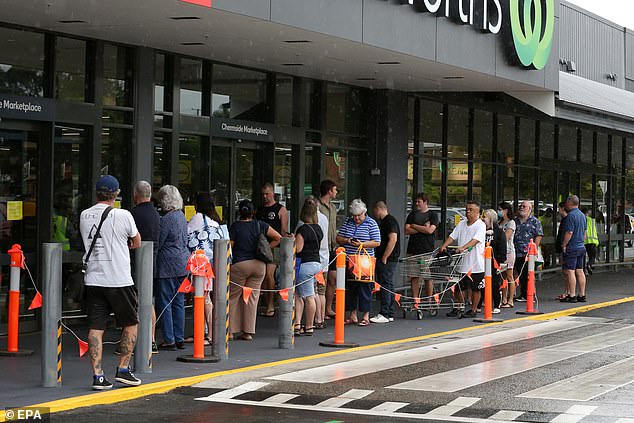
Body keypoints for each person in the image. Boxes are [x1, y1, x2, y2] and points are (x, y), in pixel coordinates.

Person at [80, 175, 142, 390]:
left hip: (94, 279)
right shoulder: (123, 215)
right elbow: (137, 241)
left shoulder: (84, 215)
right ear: (116, 194)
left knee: (96, 328)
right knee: (130, 323)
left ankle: (98, 376)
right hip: (119, 279)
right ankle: (123, 370)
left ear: (97, 193)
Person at [229, 199, 282, 340]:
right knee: (252, 298)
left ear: (239, 212)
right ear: (254, 212)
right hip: (259, 266)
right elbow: (278, 237)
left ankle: (229, 331)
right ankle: (248, 332)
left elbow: (229, 247)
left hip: (239, 265)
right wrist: (266, 249)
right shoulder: (260, 225)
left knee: (233, 297)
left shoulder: (235, 227)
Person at [187, 191, 229, 345]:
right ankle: (204, 331)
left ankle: (211, 333)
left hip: (201, 264)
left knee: (204, 299)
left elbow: (187, 235)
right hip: (214, 262)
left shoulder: (197, 219)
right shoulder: (216, 221)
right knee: (205, 297)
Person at [154, 185, 190, 351]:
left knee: (165, 302)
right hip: (183, 263)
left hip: (167, 264)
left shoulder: (166, 219)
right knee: (178, 302)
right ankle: (179, 337)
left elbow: (159, 242)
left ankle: (169, 339)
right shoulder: (181, 216)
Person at [336, 199, 381, 327]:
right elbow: (338, 238)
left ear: (364, 213)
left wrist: (362, 244)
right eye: (354, 216)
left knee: (365, 288)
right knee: (351, 288)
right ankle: (353, 315)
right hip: (349, 260)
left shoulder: (371, 223)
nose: (356, 218)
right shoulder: (348, 222)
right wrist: (348, 240)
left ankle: (366, 315)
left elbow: (377, 242)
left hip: (365, 262)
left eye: (359, 215)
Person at [440, 200, 486, 318]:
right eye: (467, 209)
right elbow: (452, 236)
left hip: (475, 264)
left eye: (471, 210)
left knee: (475, 288)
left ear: (478, 212)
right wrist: (444, 245)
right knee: (459, 287)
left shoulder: (481, 225)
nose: (468, 212)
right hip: (462, 263)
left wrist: (463, 247)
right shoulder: (462, 224)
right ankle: (458, 307)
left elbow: (475, 241)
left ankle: (474, 310)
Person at [130, 180, 160, 354]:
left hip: (135, 263)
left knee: (135, 302)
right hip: (153, 262)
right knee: (149, 302)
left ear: (136, 195)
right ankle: (152, 340)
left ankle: (135, 341)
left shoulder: (132, 214)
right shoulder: (157, 215)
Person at [295, 195, 329, 330]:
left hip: (305, 265)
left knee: (308, 296)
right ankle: (298, 324)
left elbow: (299, 248)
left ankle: (308, 326)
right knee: (305, 294)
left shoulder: (302, 229)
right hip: (317, 264)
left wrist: (292, 240)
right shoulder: (318, 229)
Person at [256, 182, 289, 318]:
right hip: (260, 246)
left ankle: (270, 305)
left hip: (273, 246)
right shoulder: (259, 209)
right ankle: (261, 302)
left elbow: (283, 233)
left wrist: (271, 246)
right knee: (260, 275)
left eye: (267, 194)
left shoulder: (281, 210)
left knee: (269, 275)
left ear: (273, 193)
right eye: (263, 194)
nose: (265, 197)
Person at [404, 193, 438, 301]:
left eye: (419, 202)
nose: (417, 204)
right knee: (414, 276)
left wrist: (414, 226)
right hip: (413, 250)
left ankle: (429, 299)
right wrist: (422, 227)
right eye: (416, 202)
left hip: (427, 250)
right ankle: (415, 299)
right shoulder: (412, 215)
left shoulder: (432, 215)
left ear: (425, 202)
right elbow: (407, 230)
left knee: (427, 276)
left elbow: (430, 230)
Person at [370, 201, 400, 323]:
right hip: (390, 257)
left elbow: (393, 239)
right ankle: (390, 312)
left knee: (385, 284)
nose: (374, 214)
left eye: (374, 211)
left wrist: (384, 257)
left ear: (379, 209)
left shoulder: (389, 221)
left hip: (388, 258)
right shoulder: (388, 221)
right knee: (388, 284)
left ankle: (385, 313)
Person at [513, 200, 543, 302]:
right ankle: (523, 294)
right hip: (517, 252)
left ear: (530, 209)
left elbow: (538, 235)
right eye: (520, 206)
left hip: (528, 253)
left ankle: (531, 294)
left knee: (529, 274)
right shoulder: (515, 221)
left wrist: (533, 250)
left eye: (524, 206)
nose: (521, 208)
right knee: (520, 274)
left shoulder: (535, 221)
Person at [318, 180, 339, 319]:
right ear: (329, 191)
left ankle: (328, 308)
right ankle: (319, 311)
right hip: (321, 247)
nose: (336, 192)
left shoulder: (332, 208)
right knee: (321, 279)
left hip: (333, 246)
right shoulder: (317, 206)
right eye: (335, 189)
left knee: (332, 279)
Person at [560, 195, 587, 303]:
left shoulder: (570, 216)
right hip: (581, 246)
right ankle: (582, 294)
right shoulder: (582, 215)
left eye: (567, 202)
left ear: (570, 203)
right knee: (580, 270)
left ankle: (572, 295)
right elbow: (585, 232)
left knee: (570, 271)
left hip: (572, 247)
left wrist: (564, 244)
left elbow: (569, 232)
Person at [481, 209, 506, 314]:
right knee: (481, 283)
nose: (482, 219)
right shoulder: (480, 231)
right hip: (482, 261)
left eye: (485, 217)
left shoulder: (499, 232)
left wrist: (500, 259)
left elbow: (502, 246)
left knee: (494, 284)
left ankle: (496, 304)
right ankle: (481, 302)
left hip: (494, 261)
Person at [498, 202, 516, 308]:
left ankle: (510, 300)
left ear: (506, 210)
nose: (499, 211)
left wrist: (498, 239)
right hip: (501, 252)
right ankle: (504, 298)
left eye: (500, 209)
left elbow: (507, 236)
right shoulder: (500, 222)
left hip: (508, 251)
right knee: (502, 276)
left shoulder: (511, 223)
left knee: (509, 275)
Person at [555, 201, 570, 300]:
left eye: (559, 208)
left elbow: (566, 233)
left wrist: (563, 245)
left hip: (565, 248)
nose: (558, 211)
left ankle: (568, 291)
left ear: (562, 208)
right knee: (566, 271)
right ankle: (567, 291)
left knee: (567, 271)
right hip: (564, 247)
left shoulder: (567, 220)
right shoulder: (565, 220)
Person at [582, 206, 599, 275]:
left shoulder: (582, 219)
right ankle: (589, 265)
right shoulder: (592, 220)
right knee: (592, 256)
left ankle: (584, 270)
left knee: (582, 257)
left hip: (584, 241)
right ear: (587, 213)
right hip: (593, 241)